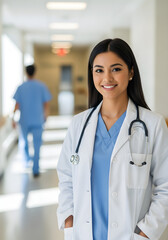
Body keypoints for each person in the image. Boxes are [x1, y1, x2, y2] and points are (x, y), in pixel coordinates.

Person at [56, 38, 168, 240]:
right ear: (92, 74)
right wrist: (69, 222)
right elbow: (66, 178)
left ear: (131, 72)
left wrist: (145, 233)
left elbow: (166, 186)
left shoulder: (153, 125)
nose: (106, 78)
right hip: (83, 234)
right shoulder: (78, 125)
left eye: (116, 69)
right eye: (99, 70)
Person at [13, 64, 52, 177]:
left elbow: (17, 104)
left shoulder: (21, 87)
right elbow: (46, 103)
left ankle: (26, 163)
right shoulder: (41, 86)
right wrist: (46, 115)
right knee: (37, 144)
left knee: (23, 142)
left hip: (24, 120)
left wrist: (13, 117)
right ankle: (36, 169)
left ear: (26, 73)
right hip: (38, 119)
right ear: (35, 72)